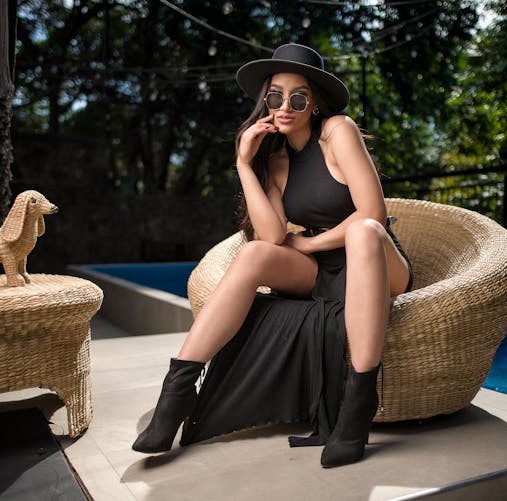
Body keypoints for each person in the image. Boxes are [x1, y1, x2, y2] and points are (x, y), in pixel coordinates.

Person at [132, 43, 413, 468]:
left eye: (298, 96)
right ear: (265, 100)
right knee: (255, 254)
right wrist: (245, 164)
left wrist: (312, 244)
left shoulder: (338, 130)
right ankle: (177, 395)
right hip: (322, 268)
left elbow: (372, 212)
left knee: (366, 233)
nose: (285, 105)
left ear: (314, 103)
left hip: (375, 260)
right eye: (275, 95)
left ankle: (357, 405)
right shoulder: (277, 157)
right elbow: (271, 234)